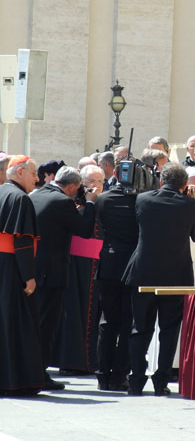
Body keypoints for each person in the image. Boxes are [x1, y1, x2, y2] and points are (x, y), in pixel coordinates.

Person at [123, 162, 195, 396]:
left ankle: (136, 380)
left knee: (140, 327)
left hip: (143, 271)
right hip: (175, 275)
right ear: (184, 185)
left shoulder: (143, 199)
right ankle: (161, 382)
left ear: (161, 180)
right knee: (169, 329)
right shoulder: (190, 205)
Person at [30, 166, 98, 390]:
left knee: (33, 323)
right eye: (77, 189)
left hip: (32, 270)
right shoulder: (63, 202)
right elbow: (85, 230)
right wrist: (90, 202)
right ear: (71, 187)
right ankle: (40, 374)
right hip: (52, 274)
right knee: (47, 326)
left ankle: (31, 370)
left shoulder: (36, 194)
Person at [51, 164, 105, 375]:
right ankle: (73, 361)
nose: (96, 186)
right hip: (76, 264)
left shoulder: (103, 201)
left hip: (95, 263)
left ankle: (89, 360)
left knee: (91, 315)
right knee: (75, 313)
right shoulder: (71, 203)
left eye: (99, 181)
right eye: (91, 182)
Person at [0, 155, 44, 396]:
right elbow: (22, 240)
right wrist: (29, 276)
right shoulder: (20, 199)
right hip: (13, 268)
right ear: (19, 173)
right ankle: (17, 381)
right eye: (33, 172)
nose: (37, 178)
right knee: (16, 324)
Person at [94, 159, 139, 391]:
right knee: (127, 322)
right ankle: (119, 375)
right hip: (131, 265)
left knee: (107, 322)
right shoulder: (141, 200)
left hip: (109, 264)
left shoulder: (103, 199)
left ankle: (103, 374)